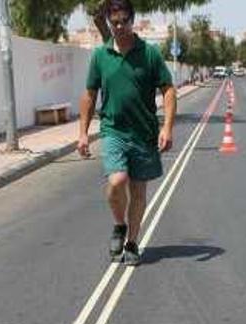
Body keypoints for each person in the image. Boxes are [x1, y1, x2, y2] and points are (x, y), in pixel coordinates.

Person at [77, 0, 177, 266]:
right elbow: (89, 94)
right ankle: (118, 224)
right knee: (117, 181)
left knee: (139, 193)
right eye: (114, 22)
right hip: (113, 131)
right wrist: (83, 133)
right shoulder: (100, 56)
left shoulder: (150, 54)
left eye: (124, 21)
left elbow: (168, 89)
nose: (119, 26)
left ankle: (132, 242)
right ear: (109, 22)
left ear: (133, 20)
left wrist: (167, 127)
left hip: (144, 134)